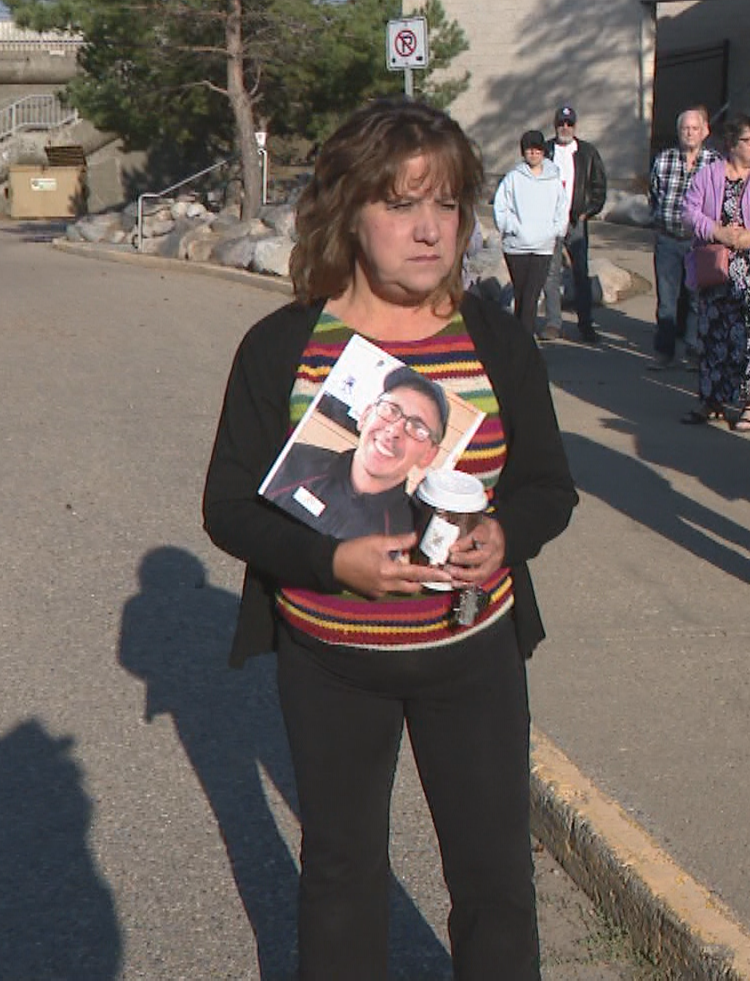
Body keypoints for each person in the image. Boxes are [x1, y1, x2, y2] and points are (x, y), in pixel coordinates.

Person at [201, 97, 579, 978]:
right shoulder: (284, 348)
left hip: (473, 655)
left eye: (445, 205)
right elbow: (227, 508)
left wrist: (503, 533)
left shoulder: (497, 342)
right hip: (332, 660)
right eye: (401, 205)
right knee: (341, 876)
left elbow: (550, 486)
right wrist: (330, 560)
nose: (428, 230)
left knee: (494, 882)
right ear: (349, 212)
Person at [679, 111, 750, 432]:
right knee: (716, 334)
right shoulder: (709, 176)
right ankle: (713, 401)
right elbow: (689, 212)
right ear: (732, 144)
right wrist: (717, 232)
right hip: (718, 271)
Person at [262, 366, 451, 540]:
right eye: (391, 410)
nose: (394, 431)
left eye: (417, 428)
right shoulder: (294, 461)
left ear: (429, 455)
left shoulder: (410, 536)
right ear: (365, 416)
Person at [647, 107, 717, 370]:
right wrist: (659, 220)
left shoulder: (714, 164)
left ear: (705, 132)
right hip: (668, 239)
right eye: (685, 128)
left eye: (694, 128)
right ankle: (664, 352)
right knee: (666, 300)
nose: (689, 133)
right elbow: (654, 194)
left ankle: (694, 351)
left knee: (697, 300)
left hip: (699, 242)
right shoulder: (664, 160)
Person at [540, 104, 607, 343]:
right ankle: (553, 323)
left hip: (576, 221)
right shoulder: (545, 150)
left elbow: (599, 187)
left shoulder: (587, 152)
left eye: (569, 124)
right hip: (550, 222)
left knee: (580, 273)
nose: (565, 128)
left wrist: (586, 213)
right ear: (555, 125)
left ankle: (586, 324)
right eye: (561, 124)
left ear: (575, 126)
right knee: (551, 274)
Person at [492, 129, 569, 337]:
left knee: (532, 295)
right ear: (523, 152)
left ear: (543, 151)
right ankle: (522, 339)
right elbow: (501, 207)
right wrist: (512, 228)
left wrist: (555, 231)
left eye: (537, 149)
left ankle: (524, 340)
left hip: (543, 247)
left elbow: (562, 209)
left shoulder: (554, 178)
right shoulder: (513, 178)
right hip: (516, 247)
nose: (533, 153)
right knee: (521, 293)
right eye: (528, 149)